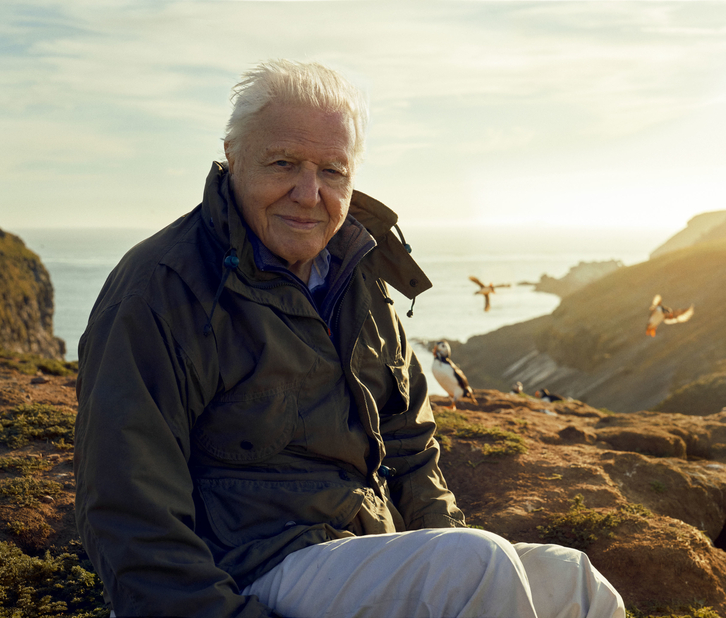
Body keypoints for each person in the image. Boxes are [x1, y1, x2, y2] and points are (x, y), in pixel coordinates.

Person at [74, 59, 626, 618]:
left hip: (358, 545)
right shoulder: (160, 291)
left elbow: (410, 444)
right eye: (283, 163)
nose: (309, 193)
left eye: (332, 171)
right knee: (475, 567)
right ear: (232, 155)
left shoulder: (358, 275)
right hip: (248, 569)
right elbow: (127, 508)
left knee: (573, 581)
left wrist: (439, 543)